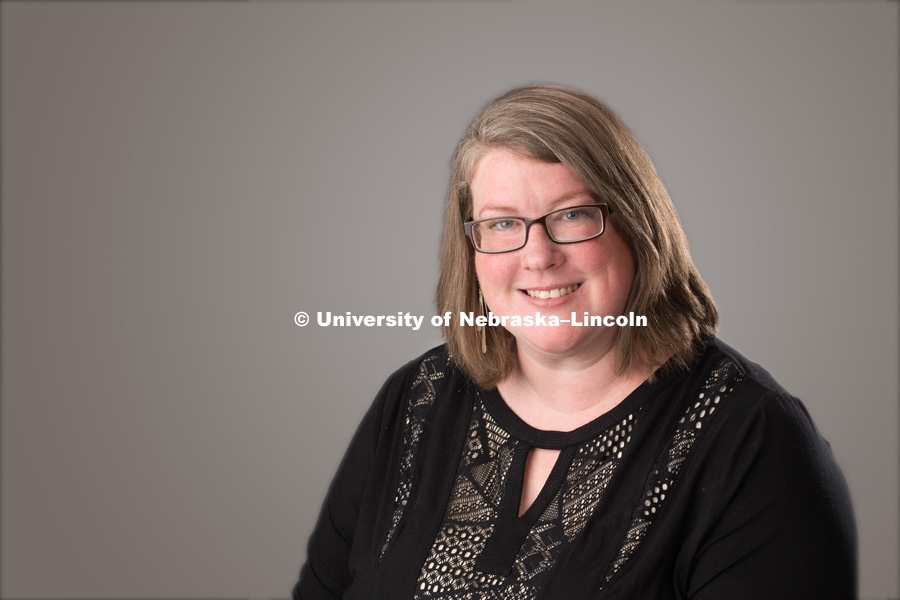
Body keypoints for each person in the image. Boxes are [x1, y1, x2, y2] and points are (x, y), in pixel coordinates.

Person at [293, 85, 857, 599]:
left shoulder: (754, 440)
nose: (538, 257)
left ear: (638, 225)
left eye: (572, 214)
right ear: (471, 247)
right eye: (503, 223)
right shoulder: (416, 398)